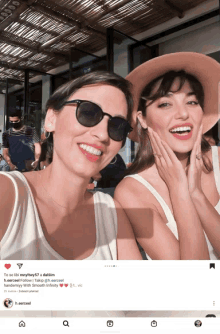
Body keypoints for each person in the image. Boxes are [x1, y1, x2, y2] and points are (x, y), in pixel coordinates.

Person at [0, 71, 142, 260]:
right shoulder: (7, 194)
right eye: (88, 112)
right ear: (51, 119)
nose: (103, 134)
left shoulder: (111, 213)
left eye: (117, 126)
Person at [115, 52, 220, 260]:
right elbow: (190, 282)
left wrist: (197, 194)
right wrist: (180, 192)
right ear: (142, 119)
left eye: (192, 102)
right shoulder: (132, 192)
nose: (183, 114)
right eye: (165, 104)